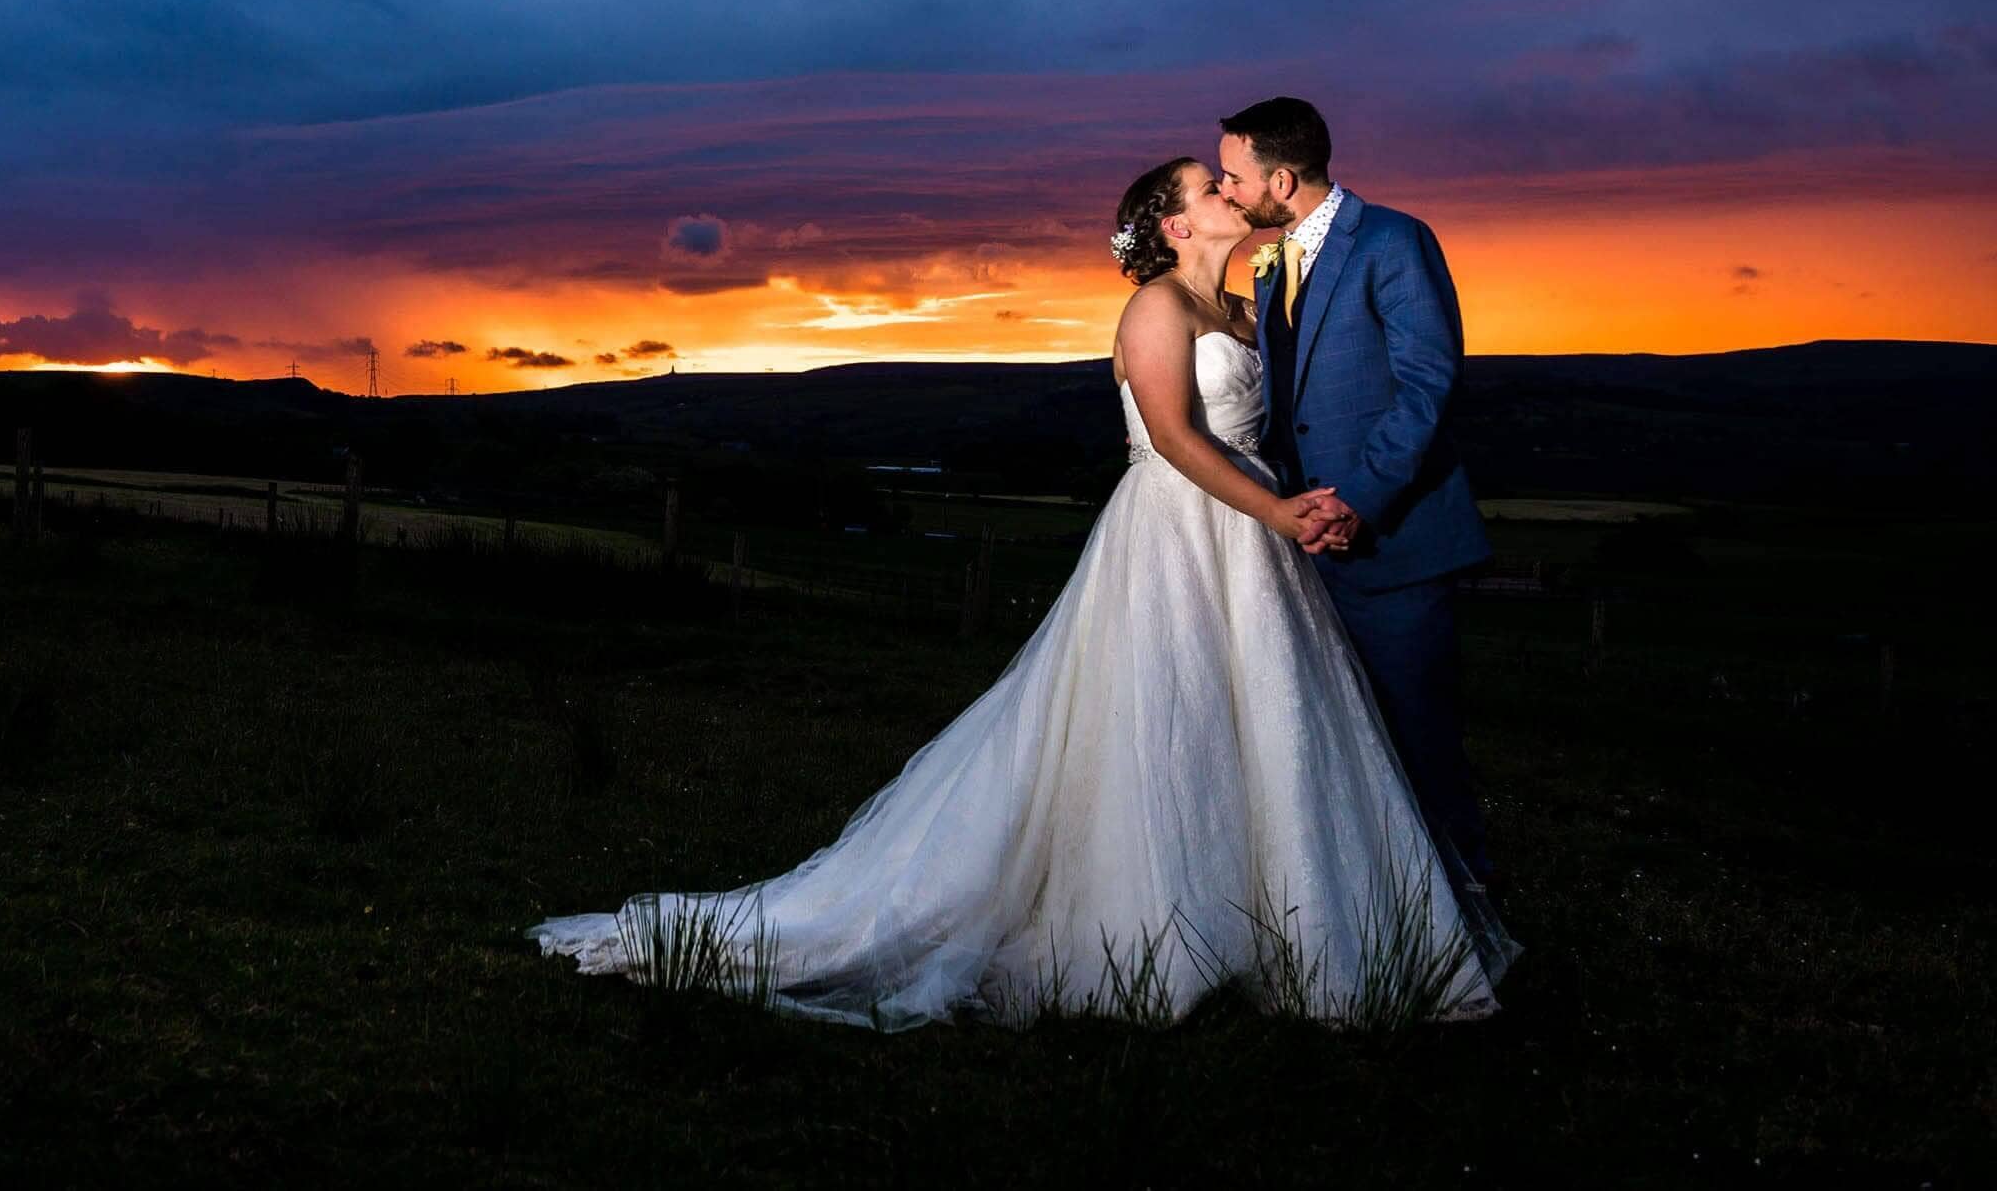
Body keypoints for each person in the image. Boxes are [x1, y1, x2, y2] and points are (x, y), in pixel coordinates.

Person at [526, 156, 1516, 1031]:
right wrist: (1280, 513)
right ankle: (1151, 931)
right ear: (1173, 225)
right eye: (1207, 186)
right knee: (1160, 719)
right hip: (1182, 533)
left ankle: (1285, 928)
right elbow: (1174, 438)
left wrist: (1310, 504)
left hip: (1257, 546)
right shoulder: (1156, 309)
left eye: (1226, 179)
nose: (1227, 190)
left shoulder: (1250, 309)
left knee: (1262, 722)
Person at [1214, 97, 1497, 897]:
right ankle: (1366, 894)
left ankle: (1462, 903)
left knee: (1418, 734)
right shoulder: (1273, 262)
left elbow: (1426, 387)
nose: (1228, 191)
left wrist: (1358, 499)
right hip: (1305, 545)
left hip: (1393, 539)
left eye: (1235, 177)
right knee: (1338, 735)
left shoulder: (1393, 241)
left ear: (1282, 177)